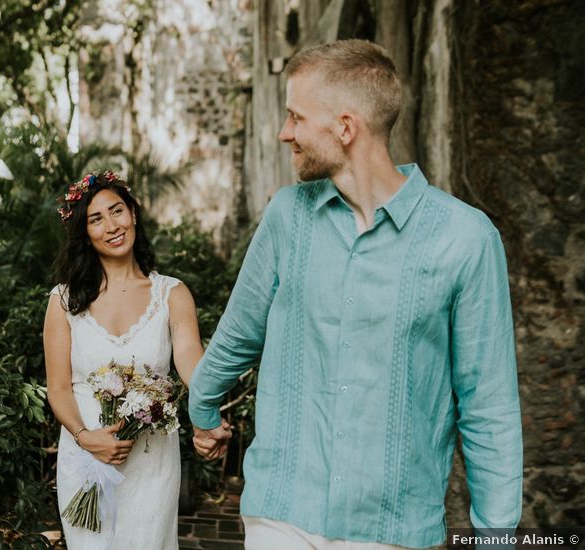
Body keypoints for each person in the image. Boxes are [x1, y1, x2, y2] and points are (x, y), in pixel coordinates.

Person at [188, 39, 522, 549]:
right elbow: (238, 333)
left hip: (392, 528)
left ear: (344, 128)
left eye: (296, 117)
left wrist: (496, 536)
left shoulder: (467, 239)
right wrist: (203, 409)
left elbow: (487, 405)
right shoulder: (286, 215)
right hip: (281, 512)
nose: (284, 133)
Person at [44, 170, 203, 549]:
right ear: (85, 232)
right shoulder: (63, 300)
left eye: (117, 211)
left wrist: (209, 414)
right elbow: (59, 388)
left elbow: (192, 364)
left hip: (151, 462)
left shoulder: (172, 294)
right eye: (96, 219)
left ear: (133, 213)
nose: (111, 226)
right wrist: (86, 439)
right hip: (84, 459)